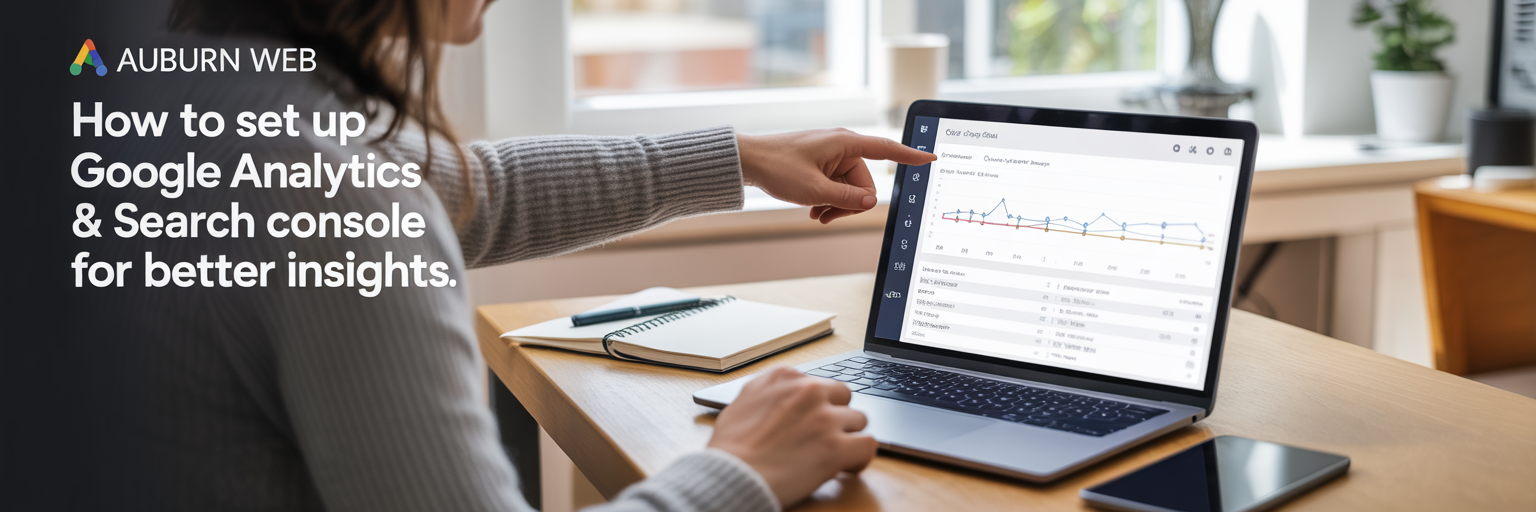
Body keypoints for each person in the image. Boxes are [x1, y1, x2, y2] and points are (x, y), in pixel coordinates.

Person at [78, 0, 937, 510]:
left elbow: (467, 188)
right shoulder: (325, 189)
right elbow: (397, 197)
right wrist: (738, 470)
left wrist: (739, 158)